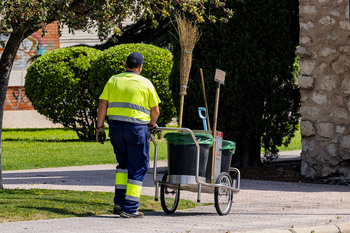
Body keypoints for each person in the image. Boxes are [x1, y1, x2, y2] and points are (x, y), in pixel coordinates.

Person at [96, 52, 160, 218]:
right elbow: (155, 110)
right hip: (137, 130)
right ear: (140, 67)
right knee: (138, 167)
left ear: (126, 65)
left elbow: (103, 104)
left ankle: (119, 203)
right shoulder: (145, 83)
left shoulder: (113, 80)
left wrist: (99, 127)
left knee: (123, 165)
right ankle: (130, 208)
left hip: (116, 129)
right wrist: (152, 125)